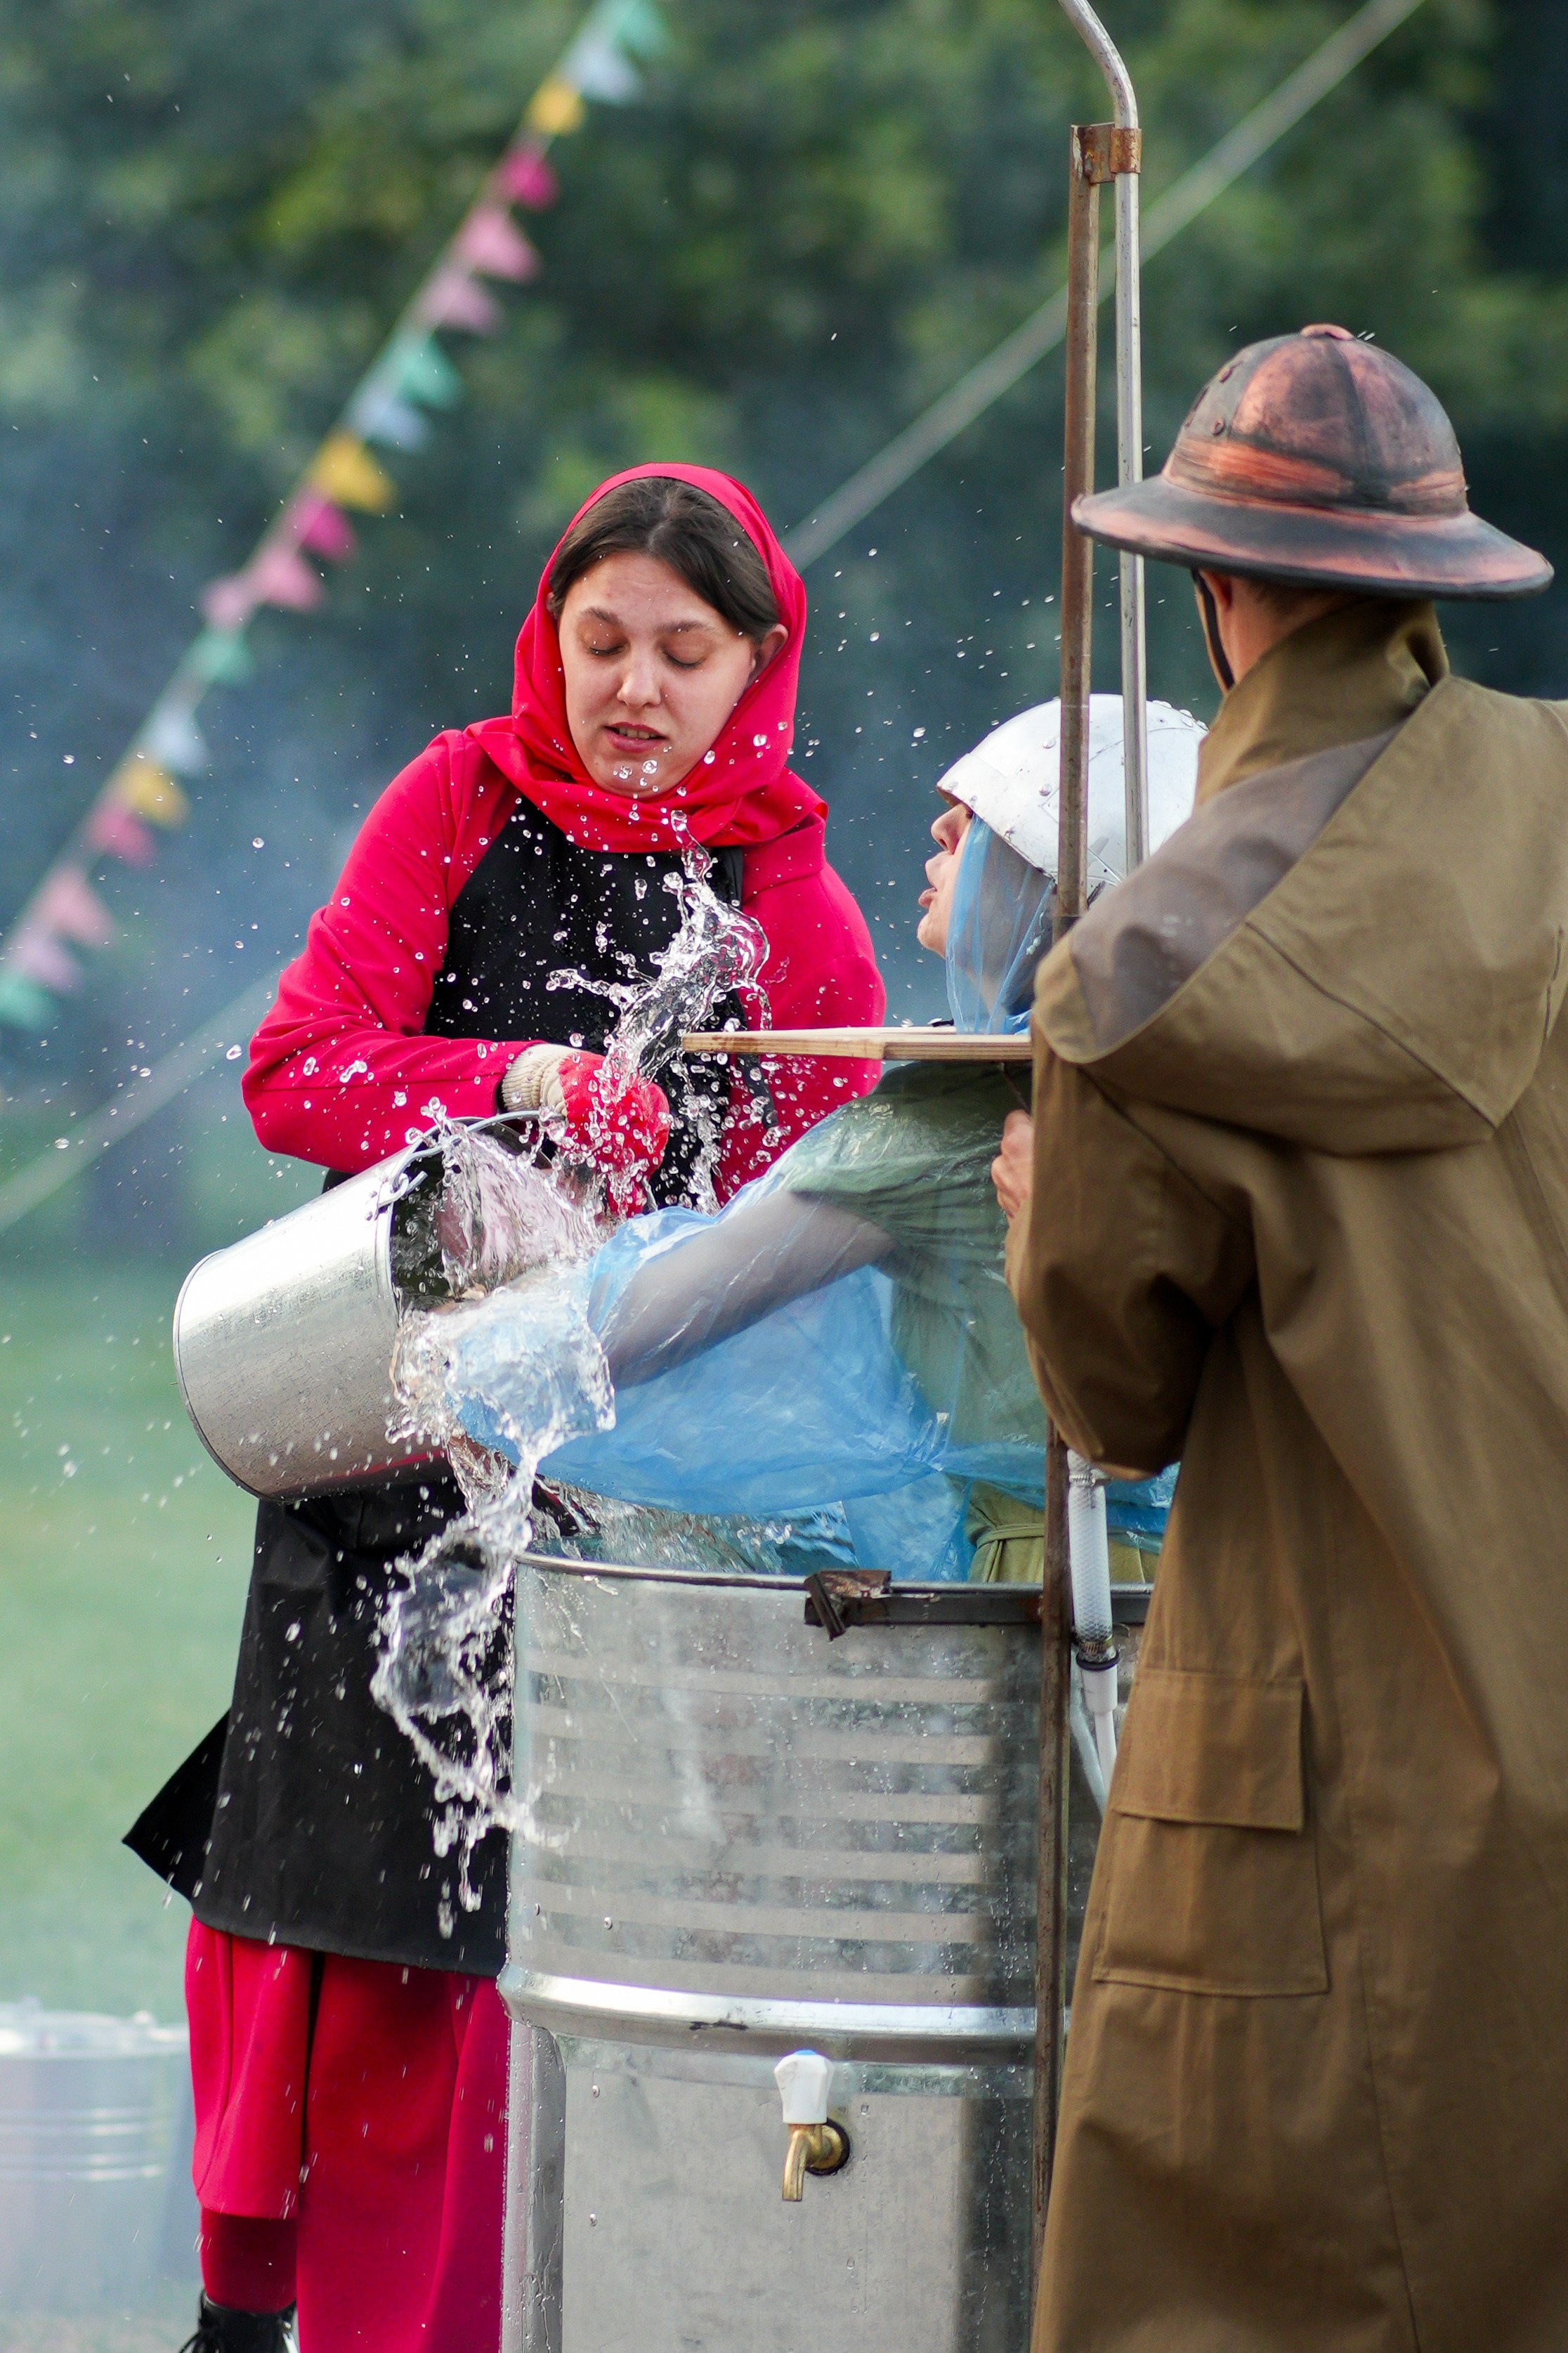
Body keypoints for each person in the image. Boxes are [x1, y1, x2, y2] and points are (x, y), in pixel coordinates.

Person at [127, 464, 884, 2353]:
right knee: (339, 1910)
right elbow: (300, 1077)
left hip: (625, 1494)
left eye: (683, 654)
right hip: (384, 1440)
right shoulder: (461, 796)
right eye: (602, 639)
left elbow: (841, 1180)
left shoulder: (780, 881)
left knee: (534, 1959)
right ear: (548, 637)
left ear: (759, 665)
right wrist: (529, 1081)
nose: (637, 688)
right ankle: (251, 2315)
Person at [998, 325, 1568, 2350]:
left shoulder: (1145, 973)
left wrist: (1033, 1210)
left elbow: (1114, 1395)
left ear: (1217, 594)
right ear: (1429, 594)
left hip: (1344, 1802)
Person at [438, 696, 1197, 1585]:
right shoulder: (1202, 1090)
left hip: (1065, 1582)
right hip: (1227, 1578)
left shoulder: (952, 1120)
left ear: (1060, 890)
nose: (943, 828)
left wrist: (454, 1351)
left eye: (986, 830)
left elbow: (638, 1323)